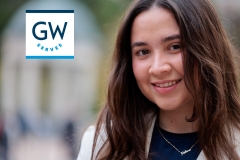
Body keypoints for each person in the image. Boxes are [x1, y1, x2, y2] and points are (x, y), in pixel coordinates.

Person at [77, 0, 240, 159]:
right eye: (143, 52)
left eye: (175, 46)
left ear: (209, 50)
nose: (157, 67)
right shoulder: (100, 145)